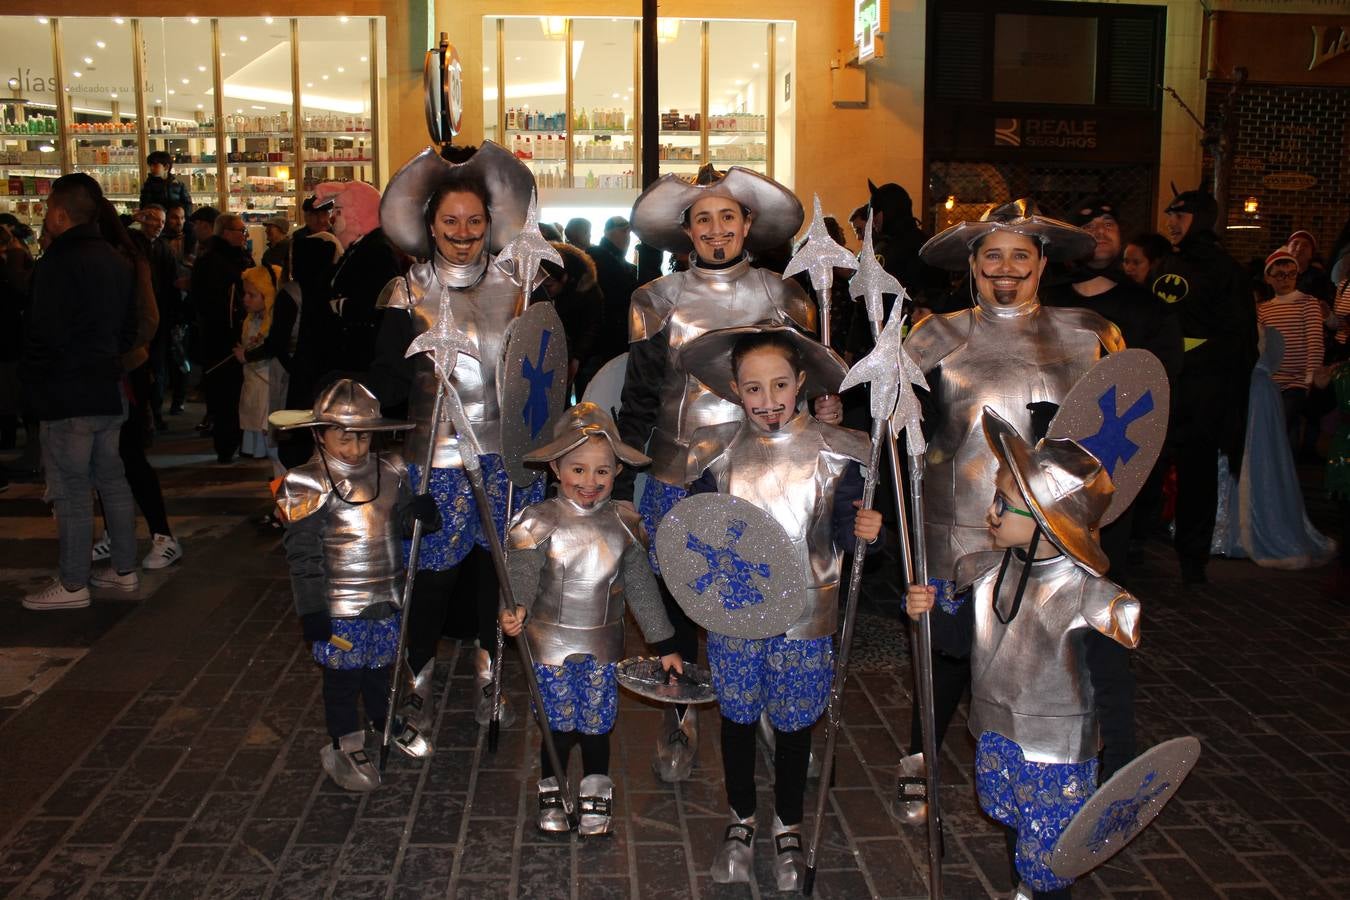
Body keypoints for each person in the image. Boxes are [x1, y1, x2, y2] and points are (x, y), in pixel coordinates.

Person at [895, 199, 1121, 823]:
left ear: (1042, 263)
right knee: (944, 652)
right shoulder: (936, 336)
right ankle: (920, 758)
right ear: (971, 264)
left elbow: (1113, 441)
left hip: (1050, 532)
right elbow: (899, 432)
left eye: (1020, 255)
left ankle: (1030, 770)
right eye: (991, 254)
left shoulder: (1089, 335)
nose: (1006, 267)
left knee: (1038, 657)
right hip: (955, 521)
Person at [616, 163, 818, 782]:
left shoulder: (786, 297)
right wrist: (624, 486)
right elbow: (641, 398)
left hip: (765, 469)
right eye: (702, 218)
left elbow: (807, 382)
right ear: (686, 231)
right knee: (683, 589)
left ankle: (765, 710)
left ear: (748, 224)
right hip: (681, 472)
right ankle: (682, 712)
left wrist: (825, 412)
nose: (716, 228)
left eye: (728, 215)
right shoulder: (655, 300)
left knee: (764, 583)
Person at [906, 407, 1140, 900]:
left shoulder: (1092, 600)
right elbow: (962, 646)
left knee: (1051, 855)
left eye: (1004, 503)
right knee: (1016, 827)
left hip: (1058, 756)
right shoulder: (985, 571)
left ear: (1048, 521)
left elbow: (1115, 691)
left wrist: (1118, 763)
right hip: (999, 734)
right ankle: (1022, 888)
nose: (990, 513)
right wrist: (929, 616)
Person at [678, 325, 881, 890]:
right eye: (753, 389)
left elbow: (844, 531)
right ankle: (741, 819)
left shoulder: (839, 452)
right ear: (735, 390)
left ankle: (788, 823)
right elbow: (695, 530)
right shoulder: (715, 452)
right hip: (736, 614)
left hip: (804, 618)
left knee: (794, 727)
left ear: (801, 384)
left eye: (779, 386)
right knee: (738, 719)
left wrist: (866, 531)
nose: (768, 401)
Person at [365, 143, 538, 753]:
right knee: (429, 577)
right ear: (429, 225)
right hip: (433, 457)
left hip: (504, 457)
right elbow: (383, 377)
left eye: (474, 222)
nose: (463, 234)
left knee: (501, 575)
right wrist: (416, 378)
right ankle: (416, 682)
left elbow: (539, 371)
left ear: (490, 224)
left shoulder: (518, 287)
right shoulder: (403, 291)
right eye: (450, 222)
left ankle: (493, 675)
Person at [499, 403, 682, 835]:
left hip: (603, 644)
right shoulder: (538, 521)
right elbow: (521, 574)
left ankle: (596, 783)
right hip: (548, 643)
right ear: (555, 467)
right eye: (577, 469)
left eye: (601, 471)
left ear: (617, 470)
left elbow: (639, 587)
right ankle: (554, 782)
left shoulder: (623, 522)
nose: (589, 482)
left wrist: (664, 645)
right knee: (557, 722)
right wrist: (516, 609)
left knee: (597, 720)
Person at [274, 379, 439, 791]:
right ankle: (345, 741)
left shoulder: (390, 471)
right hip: (339, 605)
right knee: (344, 680)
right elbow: (304, 556)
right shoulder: (306, 484)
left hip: (387, 596)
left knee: (381, 671)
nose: (354, 449)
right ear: (319, 433)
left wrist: (421, 516)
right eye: (343, 438)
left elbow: (403, 527)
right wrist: (311, 610)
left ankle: (386, 721)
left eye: (363, 437)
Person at [1042, 198, 1183, 580]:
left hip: (1115, 446)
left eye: (1108, 223)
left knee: (1109, 551)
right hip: (1050, 442)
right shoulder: (1046, 303)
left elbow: (1162, 376)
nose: (1099, 232)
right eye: (1088, 226)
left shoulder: (1148, 307)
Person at [20, 174, 138, 611]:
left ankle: (73, 582)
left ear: (59, 213)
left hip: (67, 390)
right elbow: (130, 327)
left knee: (70, 489)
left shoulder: (57, 263)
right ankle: (124, 569)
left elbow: (41, 332)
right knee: (111, 479)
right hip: (107, 386)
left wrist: (34, 385)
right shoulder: (115, 257)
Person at [1154, 189, 1257, 585]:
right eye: (1169, 214)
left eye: (1178, 214)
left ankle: (1193, 557)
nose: (1171, 222)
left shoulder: (1225, 270)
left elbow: (1238, 335)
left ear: (1198, 217)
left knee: (1197, 472)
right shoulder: (1168, 262)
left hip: (1204, 388)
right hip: (1167, 382)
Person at [1214, 326, 1337, 569]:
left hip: (1254, 393)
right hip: (1245, 392)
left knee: (1259, 462)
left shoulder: (1263, 336)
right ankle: (1227, 533)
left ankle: (1246, 531)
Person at [316, 182, 401, 372]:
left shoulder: (377, 250)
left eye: (338, 210)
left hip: (363, 355)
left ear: (358, 212)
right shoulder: (359, 247)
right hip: (350, 351)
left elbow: (380, 303)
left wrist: (342, 306)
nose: (332, 218)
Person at [192, 212, 254, 463]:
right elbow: (209, 303)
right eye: (240, 230)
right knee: (225, 395)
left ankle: (234, 441)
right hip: (223, 339)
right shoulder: (213, 262)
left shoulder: (235, 257)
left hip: (234, 335)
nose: (244, 235)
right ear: (226, 233)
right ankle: (226, 444)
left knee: (237, 393)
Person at [1257, 246, 1325, 448]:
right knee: (1286, 429)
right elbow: (1261, 345)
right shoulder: (1265, 309)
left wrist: (1310, 378)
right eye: (1279, 275)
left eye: (1290, 274)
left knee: (1283, 422)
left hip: (1296, 381)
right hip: (1272, 381)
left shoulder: (1308, 303)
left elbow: (1314, 341)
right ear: (1268, 278)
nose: (1285, 279)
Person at [235, 265, 286, 475]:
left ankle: (284, 503)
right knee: (273, 456)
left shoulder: (274, 324)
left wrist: (246, 355)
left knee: (276, 454)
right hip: (256, 392)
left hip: (269, 393)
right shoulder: (252, 321)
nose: (245, 299)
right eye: (244, 294)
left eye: (252, 295)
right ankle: (281, 502)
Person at [539, 241, 601, 399]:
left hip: (584, 354)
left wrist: (577, 358)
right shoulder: (545, 289)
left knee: (586, 397)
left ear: (564, 278)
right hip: (554, 355)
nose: (545, 291)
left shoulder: (587, 292)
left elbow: (592, 328)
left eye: (549, 285)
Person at [584, 215, 639, 384]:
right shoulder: (597, 257)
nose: (627, 236)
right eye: (622, 231)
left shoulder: (617, 261)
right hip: (601, 341)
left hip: (612, 339)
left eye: (628, 232)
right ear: (608, 232)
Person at [139, 151, 192, 216]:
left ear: (166, 167)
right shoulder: (148, 185)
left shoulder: (179, 185)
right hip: (157, 222)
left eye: (155, 165)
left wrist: (183, 219)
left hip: (176, 222)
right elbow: (144, 206)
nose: (151, 168)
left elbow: (187, 205)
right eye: (150, 165)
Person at [1288, 229, 1335, 304]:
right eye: (1295, 243)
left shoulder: (1320, 277)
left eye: (1305, 245)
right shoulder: (1278, 273)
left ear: (1311, 254)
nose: (1299, 248)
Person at [261, 216, 292, 283]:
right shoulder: (267, 253)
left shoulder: (291, 249)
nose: (266, 231)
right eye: (267, 228)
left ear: (282, 230)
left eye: (270, 228)